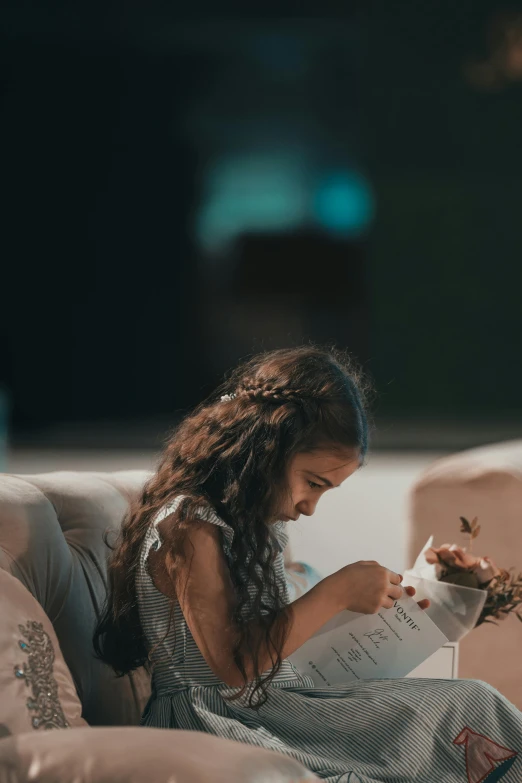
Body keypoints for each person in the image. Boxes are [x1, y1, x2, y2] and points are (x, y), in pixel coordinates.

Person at [93, 346, 521, 782]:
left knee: (471, 701)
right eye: (312, 484)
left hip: (278, 705)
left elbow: (288, 635)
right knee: (460, 710)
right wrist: (335, 592)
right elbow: (232, 666)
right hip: (219, 722)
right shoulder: (189, 526)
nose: (310, 507)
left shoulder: (256, 528)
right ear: (264, 449)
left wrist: (431, 591)